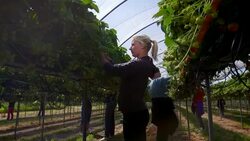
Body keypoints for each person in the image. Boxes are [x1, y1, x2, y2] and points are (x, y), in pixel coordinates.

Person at [101, 34, 160, 141]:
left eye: (133, 44)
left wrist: (103, 59)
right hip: (137, 112)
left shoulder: (138, 64)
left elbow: (114, 70)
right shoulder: (145, 62)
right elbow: (124, 70)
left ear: (142, 46)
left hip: (134, 115)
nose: (130, 47)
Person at [148, 76, 179, 141]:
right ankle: (169, 133)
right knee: (171, 124)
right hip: (164, 104)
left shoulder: (151, 83)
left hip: (156, 105)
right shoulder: (164, 79)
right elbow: (175, 79)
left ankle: (168, 134)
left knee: (162, 128)